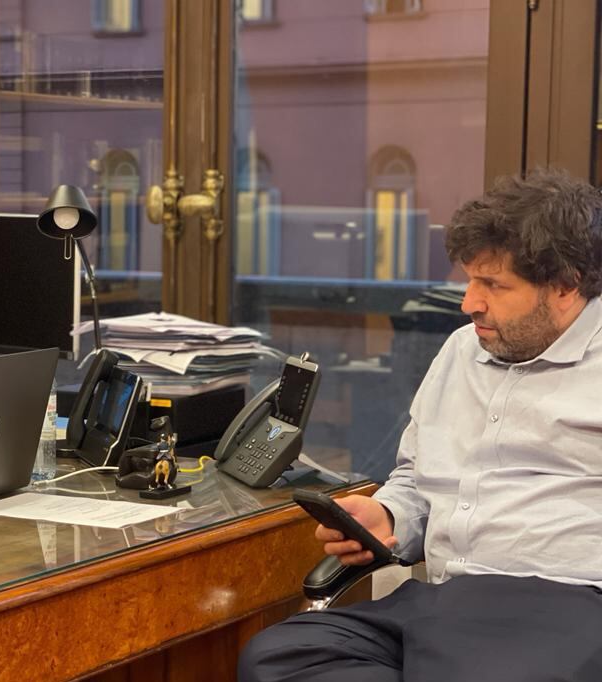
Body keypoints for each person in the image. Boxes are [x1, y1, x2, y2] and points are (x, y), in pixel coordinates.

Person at [238, 168, 602, 682]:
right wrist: (390, 517)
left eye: (493, 285)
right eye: (470, 279)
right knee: (276, 658)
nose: (468, 302)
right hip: (442, 601)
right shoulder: (461, 349)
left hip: (561, 603)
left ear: (564, 286)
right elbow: (417, 478)